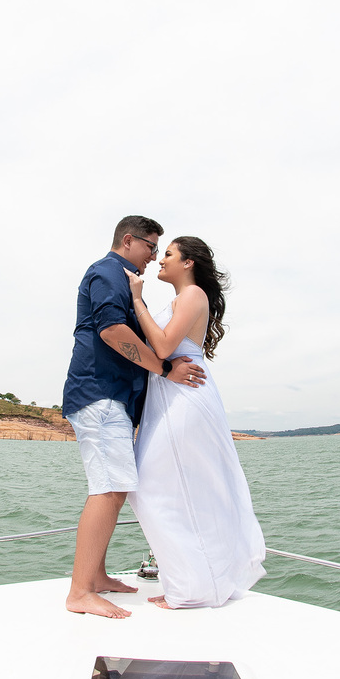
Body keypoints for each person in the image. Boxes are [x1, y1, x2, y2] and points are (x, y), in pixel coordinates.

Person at [62, 216, 207, 619]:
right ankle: (79, 592)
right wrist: (164, 370)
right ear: (129, 241)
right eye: (151, 247)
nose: (153, 257)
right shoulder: (108, 272)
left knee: (117, 486)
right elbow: (111, 332)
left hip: (114, 398)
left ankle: (97, 576)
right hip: (100, 393)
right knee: (109, 488)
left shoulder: (119, 276)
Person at [126, 236, 266, 609]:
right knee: (163, 487)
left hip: (184, 400)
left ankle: (191, 587)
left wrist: (137, 300)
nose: (160, 260)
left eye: (168, 254)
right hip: (168, 398)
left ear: (187, 263)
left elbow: (164, 348)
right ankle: (191, 581)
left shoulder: (193, 296)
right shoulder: (179, 300)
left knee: (151, 485)